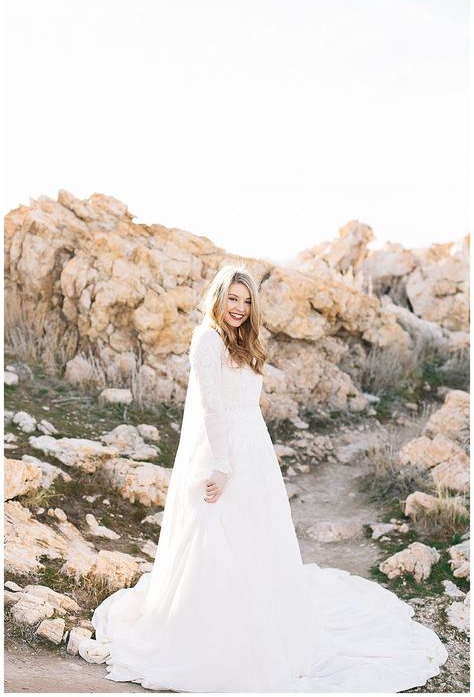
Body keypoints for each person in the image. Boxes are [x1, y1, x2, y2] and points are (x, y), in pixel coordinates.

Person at [79, 263, 449, 692]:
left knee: (257, 539)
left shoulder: (243, 339)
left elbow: (245, 403)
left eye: (246, 300)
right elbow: (210, 408)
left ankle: (267, 627)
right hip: (223, 454)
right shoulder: (207, 339)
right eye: (231, 299)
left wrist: (248, 452)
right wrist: (221, 464)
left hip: (252, 449)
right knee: (218, 541)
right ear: (218, 298)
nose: (238, 308)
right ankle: (212, 637)